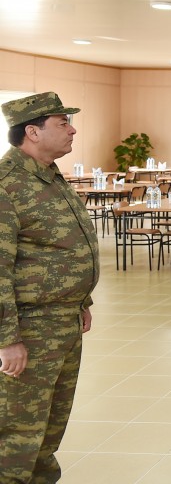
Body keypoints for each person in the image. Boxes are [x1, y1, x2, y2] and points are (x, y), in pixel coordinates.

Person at [0, 92, 99, 483]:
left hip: (63, 322)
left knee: (50, 428)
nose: (72, 130)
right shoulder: (7, 184)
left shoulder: (50, 176)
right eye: (62, 123)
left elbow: (65, 245)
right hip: (31, 329)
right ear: (33, 132)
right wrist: (8, 339)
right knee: (17, 433)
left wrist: (81, 301)